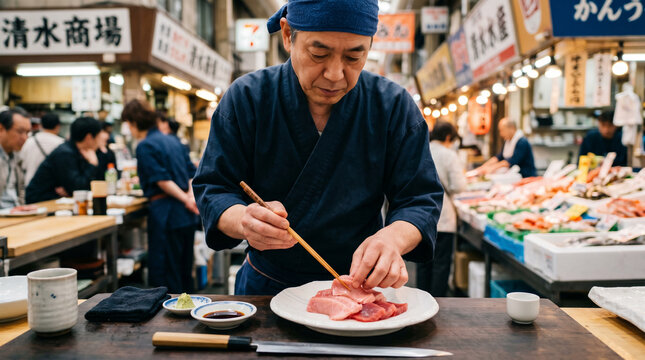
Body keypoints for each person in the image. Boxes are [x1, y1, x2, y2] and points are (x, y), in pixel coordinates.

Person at [193, 0, 443, 296]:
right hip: (266, 290)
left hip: (359, 289)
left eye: (353, 57)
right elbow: (214, 188)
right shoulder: (246, 98)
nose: (335, 74)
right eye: (319, 53)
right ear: (287, 35)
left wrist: (392, 239)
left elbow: (420, 198)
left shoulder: (392, 106)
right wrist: (243, 219)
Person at [121, 99, 199, 293]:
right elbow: (192, 173)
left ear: (134, 122)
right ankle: (189, 314)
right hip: (186, 215)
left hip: (166, 215)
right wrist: (190, 197)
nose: (129, 129)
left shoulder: (145, 145)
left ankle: (170, 320)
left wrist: (185, 198)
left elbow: (162, 180)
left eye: (128, 125)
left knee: (165, 273)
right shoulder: (174, 140)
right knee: (184, 269)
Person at [416, 122, 466, 296]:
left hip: (419, 216)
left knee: (423, 263)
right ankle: (437, 305)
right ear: (447, 137)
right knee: (441, 264)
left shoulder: (420, 149)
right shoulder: (449, 155)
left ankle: (421, 302)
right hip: (442, 215)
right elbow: (459, 186)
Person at [26, 117, 103, 203]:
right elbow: (78, 188)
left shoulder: (79, 151)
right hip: (40, 202)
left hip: (54, 201)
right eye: (99, 137)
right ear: (89, 137)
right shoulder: (65, 153)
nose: (100, 141)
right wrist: (92, 164)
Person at [20, 113, 64, 185]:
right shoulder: (61, 144)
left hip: (29, 184)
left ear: (40, 125)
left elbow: (22, 164)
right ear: (58, 126)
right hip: (50, 187)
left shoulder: (29, 141)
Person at [0, 108, 31, 209]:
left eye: (27, 133)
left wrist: (22, 207)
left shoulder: (16, 156)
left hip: (14, 214)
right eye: (20, 131)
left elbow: (20, 190)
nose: (25, 138)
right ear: (1, 129)